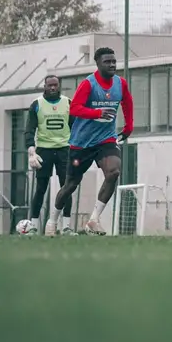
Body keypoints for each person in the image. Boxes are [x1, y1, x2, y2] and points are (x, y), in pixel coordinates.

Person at [56, 47, 133, 235]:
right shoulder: (88, 84)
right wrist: (97, 113)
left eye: (114, 61)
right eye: (107, 62)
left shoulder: (120, 83)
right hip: (81, 142)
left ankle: (93, 220)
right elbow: (74, 109)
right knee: (71, 185)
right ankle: (52, 221)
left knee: (114, 171)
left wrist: (128, 126)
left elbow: (127, 102)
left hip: (105, 139)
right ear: (98, 64)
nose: (112, 64)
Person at [25, 75, 74, 236]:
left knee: (66, 187)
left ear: (59, 86)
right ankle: (32, 226)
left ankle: (66, 226)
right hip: (44, 150)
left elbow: (76, 127)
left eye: (55, 85)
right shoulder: (36, 104)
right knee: (40, 188)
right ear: (44, 86)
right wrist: (31, 150)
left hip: (64, 150)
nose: (53, 88)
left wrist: (77, 147)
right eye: (49, 85)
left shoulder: (68, 103)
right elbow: (30, 129)